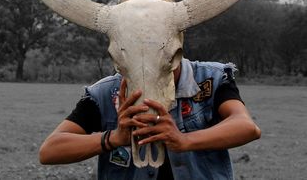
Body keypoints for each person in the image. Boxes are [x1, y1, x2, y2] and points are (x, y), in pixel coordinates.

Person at [38, 58, 261, 180]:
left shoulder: (209, 78)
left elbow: (246, 126)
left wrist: (184, 140)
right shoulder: (104, 93)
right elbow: (50, 150)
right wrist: (113, 138)